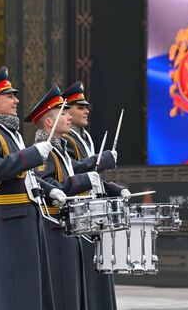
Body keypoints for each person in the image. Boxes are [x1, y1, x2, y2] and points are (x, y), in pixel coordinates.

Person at [0, 66, 64, 310]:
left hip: (23, 219)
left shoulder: (9, 132)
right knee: (12, 290)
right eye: (9, 96)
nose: (16, 100)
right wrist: (32, 155)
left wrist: (48, 188)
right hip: (8, 221)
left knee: (28, 289)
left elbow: (24, 178)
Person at [25, 84, 119, 310]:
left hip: (70, 227)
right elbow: (50, 183)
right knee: (63, 290)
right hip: (56, 227)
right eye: (64, 112)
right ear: (49, 122)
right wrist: (89, 175)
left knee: (74, 291)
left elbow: (74, 172)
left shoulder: (60, 147)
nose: (68, 116)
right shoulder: (44, 150)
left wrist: (112, 187)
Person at [61, 81, 130, 310]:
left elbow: (91, 178)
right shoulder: (65, 138)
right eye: (80, 107)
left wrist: (114, 189)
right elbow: (71, 172)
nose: (86, 110)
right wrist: (100, 162)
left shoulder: (83, 138)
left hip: (94, 215)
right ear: (67, 110)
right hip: (79, 215)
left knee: (99, 273)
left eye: (86, 106)